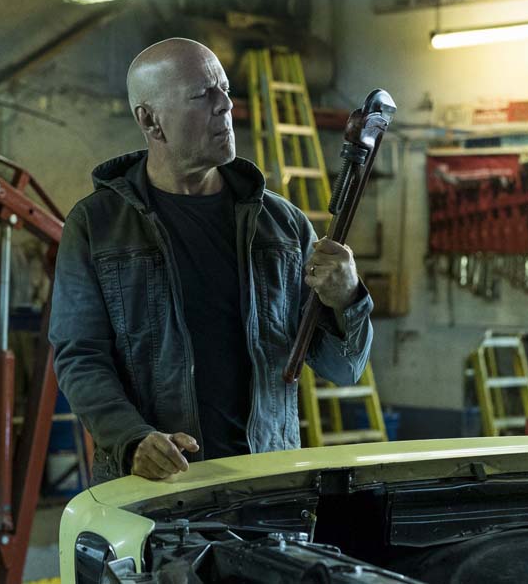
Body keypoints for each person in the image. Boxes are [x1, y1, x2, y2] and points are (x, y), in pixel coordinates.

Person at [49, 38, 373, 483]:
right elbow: (81, 357)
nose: (226, 105)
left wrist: (347, 299)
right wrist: (131, 439)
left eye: (224, 89)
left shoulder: (283, 226)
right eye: (203, 95)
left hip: (266, 484)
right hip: (156, 487)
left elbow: (345, 367)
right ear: (150, 120)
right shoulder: (97, 226)